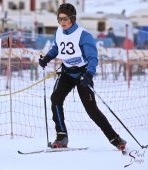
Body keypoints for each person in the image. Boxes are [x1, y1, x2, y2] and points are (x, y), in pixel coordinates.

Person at [39, 3, 126, 150]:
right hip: (67, 72)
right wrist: (47, 58)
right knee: (56, 99)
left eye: (65, 18)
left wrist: (89, 74)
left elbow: (93, 58)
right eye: (59, 19)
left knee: (91, 110)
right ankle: (61, 137)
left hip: (82, 74)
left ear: (72, 18)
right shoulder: (58, 32)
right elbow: (57, 47)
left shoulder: (83, 35)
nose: (62, 22)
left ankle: (115, 139)